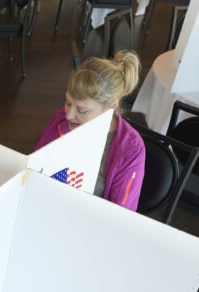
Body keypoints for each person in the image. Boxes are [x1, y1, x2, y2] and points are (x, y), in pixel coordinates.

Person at [34, 52, 145, 211]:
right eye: (67, 102)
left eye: (83, 110)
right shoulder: (61, 118)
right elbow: (36, 164)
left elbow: (120, 214)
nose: (68, 115)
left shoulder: (130, 150)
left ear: (111, 107)